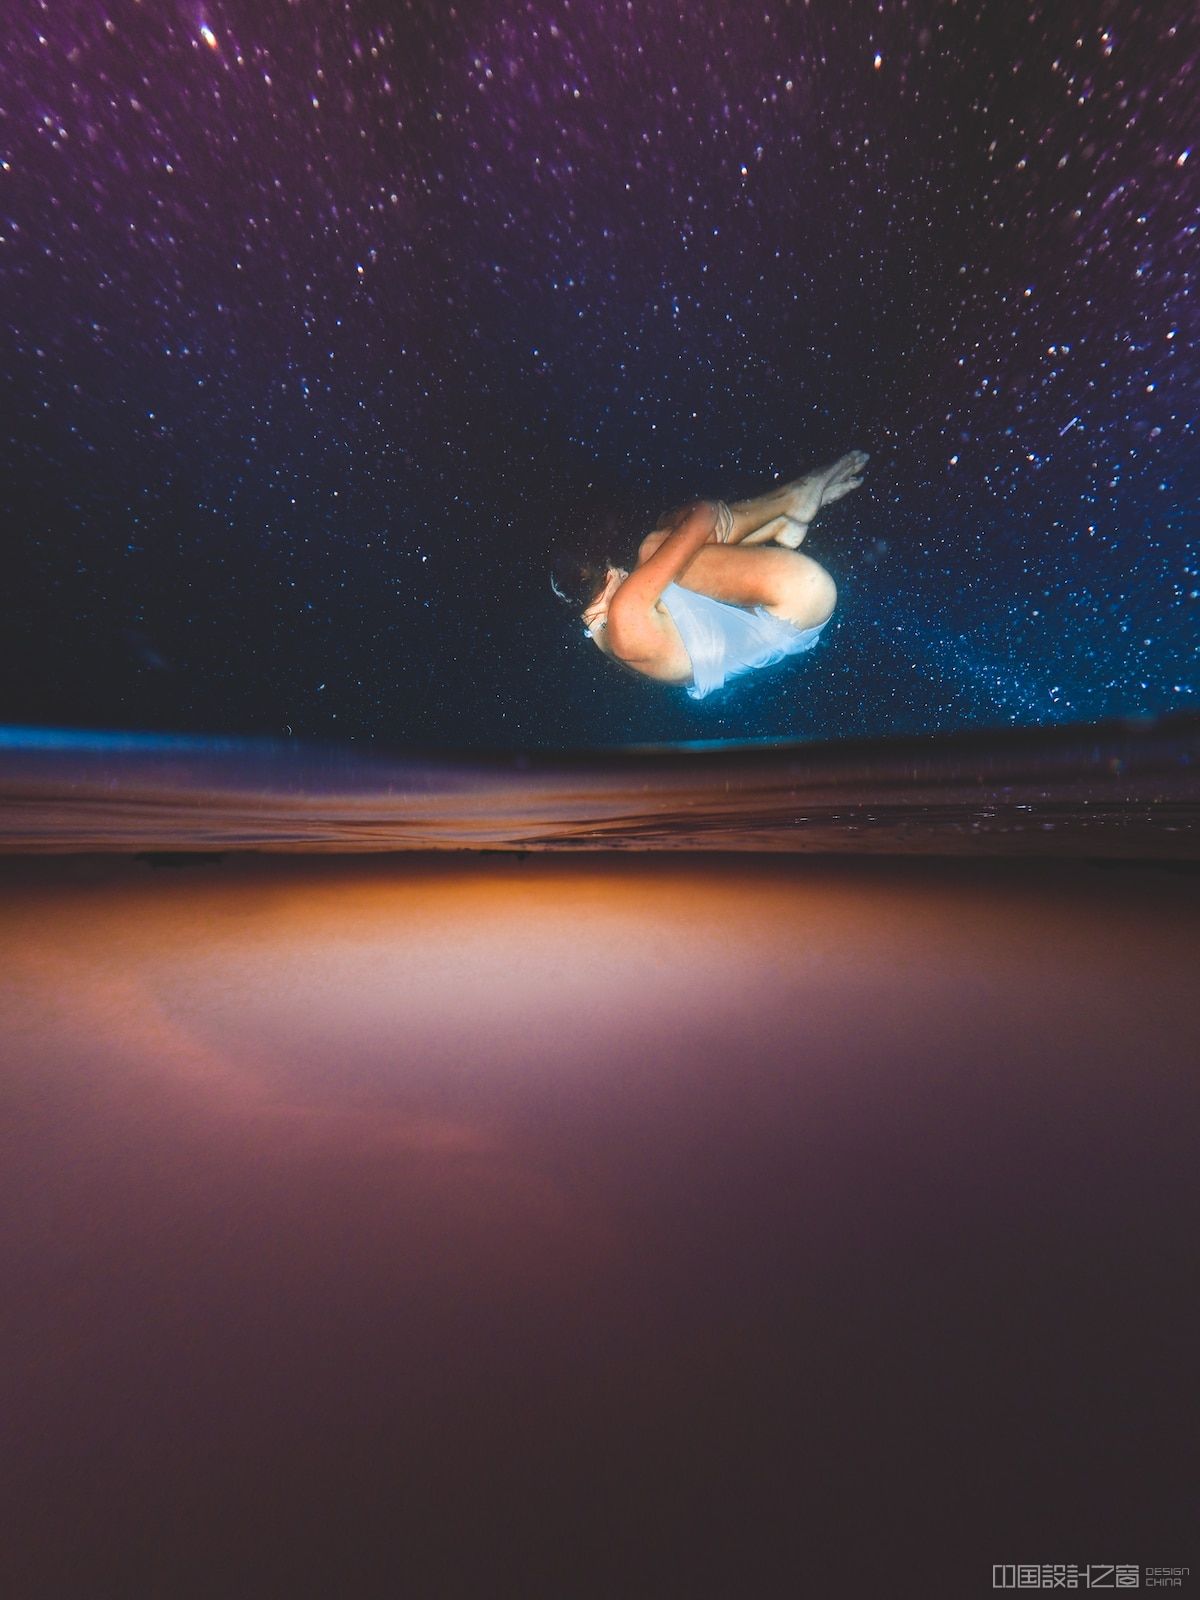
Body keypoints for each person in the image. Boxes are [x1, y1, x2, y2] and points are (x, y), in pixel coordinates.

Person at [550, 452, 868, 699]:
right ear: (599, 580)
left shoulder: (608, 638)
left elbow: (705, 595)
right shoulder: (625, 613)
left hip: (795, 613)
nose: (620, 569)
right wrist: (675, 518)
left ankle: (786, 517)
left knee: (666, 552)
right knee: (654, 546)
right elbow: (705, 514)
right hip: (798, 592)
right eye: (612, 568)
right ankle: (794, 499)